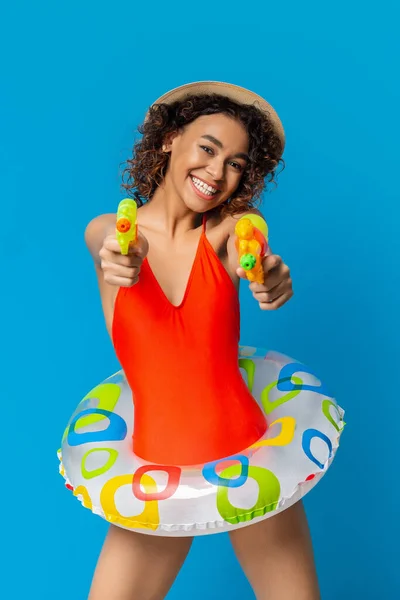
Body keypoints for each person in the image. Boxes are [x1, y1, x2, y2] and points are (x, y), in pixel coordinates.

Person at [78, 82, 322, 600]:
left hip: (249, 454)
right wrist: (121, 258)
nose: (217, 172)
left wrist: (267, 275)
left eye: (235, 163)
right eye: (208, 148)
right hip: (155, 469)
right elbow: (114, 245)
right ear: (169, 139)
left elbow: (249, 248)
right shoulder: (110, 231)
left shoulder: (229, 230)